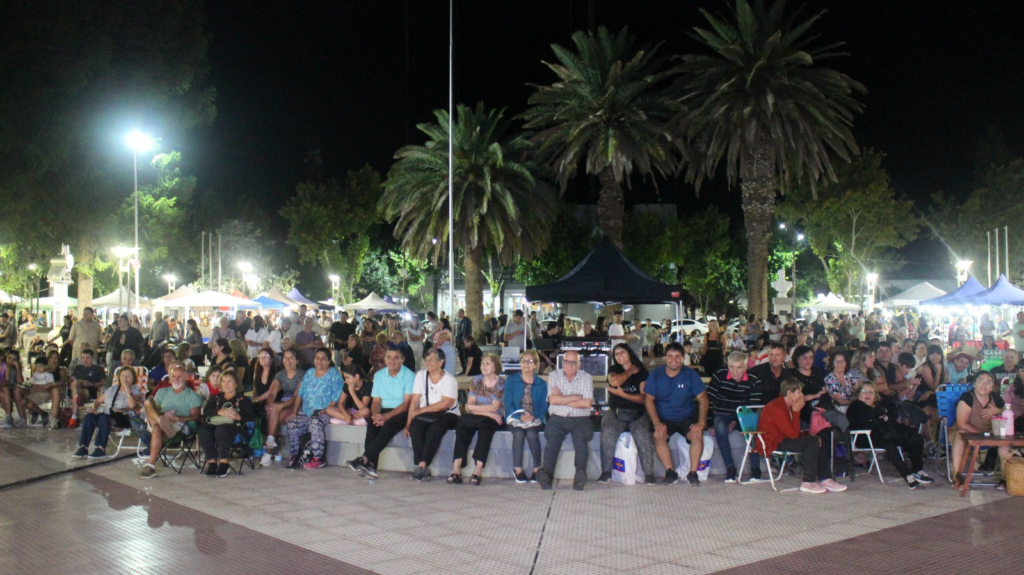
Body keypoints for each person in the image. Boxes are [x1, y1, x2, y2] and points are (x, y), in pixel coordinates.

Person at [755, 378, 847, 494]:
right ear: (789, 393)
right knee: (812, 442)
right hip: (774, 442)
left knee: (821, 438)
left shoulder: (788, 406)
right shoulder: (776, 408)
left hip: (784, 438)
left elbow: (794, 432)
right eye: (799, 392)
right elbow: (793, 435)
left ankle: (826, 478)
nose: (802, 395)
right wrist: (796, 411)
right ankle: (808, 482)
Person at [644, 342, 708, 486]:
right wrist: (656, 423)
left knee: (697, 435)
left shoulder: (690, 374)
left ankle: (693, 473)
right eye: (670, 356)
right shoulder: (656, 374)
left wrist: (701, 422)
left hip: (687, 418)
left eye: (678, 356)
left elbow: (703, 398)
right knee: (657, 436)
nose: (674, 359)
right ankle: (670, 472)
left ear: (683, 358)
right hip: (664, 419)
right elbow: (648, 400)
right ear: (665, 358)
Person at [847, 381, 932, 489]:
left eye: (871, 392)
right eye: (864, 391)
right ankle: (906, 474)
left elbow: (893, 414)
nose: (867, 394)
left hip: (886, 433)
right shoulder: (856, 405)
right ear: (859, 394)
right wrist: (881, 413)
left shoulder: (879, 406)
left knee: (916, 437)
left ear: (875, 395)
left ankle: (917, 470)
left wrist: (883, 413)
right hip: (866, 437)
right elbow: (867, 417)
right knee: (889, 443)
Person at [348, 349, 416, 479]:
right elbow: (376, 401)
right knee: (372, 426)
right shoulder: (379, 375)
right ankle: (371, 466)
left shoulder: (410, 375)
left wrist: (386, 417)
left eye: (396, 358)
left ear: (402, 360)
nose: (392, 361)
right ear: (384, 360)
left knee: (388, 426)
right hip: (383, 410)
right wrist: (376, 416)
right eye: (389, 357)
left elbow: (407, 403)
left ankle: (364, 459)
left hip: (401, 411)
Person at [534, 350, 593, 491]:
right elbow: (553, 400)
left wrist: (563, 398)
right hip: (557, 418)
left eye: (573, 363)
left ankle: (580, 475)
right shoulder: (554, 375)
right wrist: (576, 397)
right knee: (552, 442)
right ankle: (547, 475)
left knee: (580, 442)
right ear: (562, 362)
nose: (569, 365)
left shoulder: (586, 377)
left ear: (579, 364)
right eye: (566, 362)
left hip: (580, 418)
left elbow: (587, 404)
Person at [597, 344, 656, 484]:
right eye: (616, 354)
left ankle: (649, 474)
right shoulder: (614, 370)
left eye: (622, 352)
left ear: (629, 353)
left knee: (643, 433)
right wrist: (630, 371)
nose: (619, 355)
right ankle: (606, 472)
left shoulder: (642, 372)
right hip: (616, 412)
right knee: (607, 431)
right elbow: (614, 381)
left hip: (637, 412)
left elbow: (642, 398)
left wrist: (622, 394)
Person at [402, 347, 460, 482]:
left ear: (441, 362)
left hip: (447, 414)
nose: (428, 362)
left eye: (432, 359)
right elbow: (414, 401)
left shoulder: (450, 380)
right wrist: (408, 424)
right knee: (415, 427)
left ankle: (421, 465)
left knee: (436, 428)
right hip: (426, 413)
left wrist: (421, 410)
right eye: (426, 359)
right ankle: (421, 466)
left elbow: (446, 403)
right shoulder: (421, 375)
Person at [707, 351, 764, 483]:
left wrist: (735, 422)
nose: (735, 371)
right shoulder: (719, 375)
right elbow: (709, 399)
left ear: (745, 367)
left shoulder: (754, 380)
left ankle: (756, 468)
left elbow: (752, 406)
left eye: (739, 367)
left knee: (753, 427)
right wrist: (709, 423)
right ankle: (730, 468)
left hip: (744, 414)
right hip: (721, 413)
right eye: (732, 367)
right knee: (720, 427)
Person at [138, 365, 204, 479]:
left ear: (186, 377)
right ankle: (161, 421)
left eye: (179, 377)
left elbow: (196, 417)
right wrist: (161, 417)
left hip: (177, 424)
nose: (176, 379)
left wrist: (177, 418)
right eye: (173, 376)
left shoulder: (192, 396)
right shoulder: (162, 392)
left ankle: (150, 465)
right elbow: (153, 409)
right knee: (148, 403)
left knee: (157, 427)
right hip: (159, 419)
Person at [448, 354, 505, 485]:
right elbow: (469, 406)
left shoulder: (501, 383)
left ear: (495, 367)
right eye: (482, 363)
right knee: (462, 427)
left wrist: (483, 411)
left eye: (487, 363)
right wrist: (491, 414)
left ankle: (478, 469)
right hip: (486, 417)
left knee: (486, 428)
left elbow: (495, 406)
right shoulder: (475, 380)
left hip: (489, 421)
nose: (483, 366)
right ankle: (456, 468)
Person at [951, 371, 1012, 489]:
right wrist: (981, 434)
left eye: (988, 382)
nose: (984, 385)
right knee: (960, 435)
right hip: (969, 432)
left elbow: (1007, 414)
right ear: (974, 383)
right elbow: (961, 423)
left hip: (990, 433)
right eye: (980, 381)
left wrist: (998, 411)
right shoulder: (967, 397)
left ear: (992, 386)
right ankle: (956, 475)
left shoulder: (996, 398)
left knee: (1004, 443)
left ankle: (1005, 478)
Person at [284, 348, 344, 469]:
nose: (319, 361)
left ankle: (318, 458)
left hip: (325, 411)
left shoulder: (334, 374)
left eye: (323, 359)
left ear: (328, 361)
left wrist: (325, 410)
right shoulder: (310, 372)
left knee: (315, 423)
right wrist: (294, 411)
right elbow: (300, 393)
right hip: (307, 411)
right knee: (292, 423)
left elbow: (337, 397)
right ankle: (295, 455)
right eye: (317, 358)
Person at [72, 363, 146, 459]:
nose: (125, 378)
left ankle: (100, 448)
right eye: (123, 376)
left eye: (128, 376)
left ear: (133, 378)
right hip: (108, 415)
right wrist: (94, 408)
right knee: (89, 417)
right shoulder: (112, 389)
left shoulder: (135, 389)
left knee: (103, 417)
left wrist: (127, 388)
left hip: (124, 416)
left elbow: (132, 405)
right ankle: (83, 447)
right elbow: (98, 401)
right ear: (119, 377)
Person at [198, 370, 255, 478]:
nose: (226, 384)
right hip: (216, 425)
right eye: (223, 381)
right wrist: (220, 412)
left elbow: (251, 417)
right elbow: (206, 412)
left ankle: (224, 462)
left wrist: (239, 416)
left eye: (229, 381)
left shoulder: (243, 399)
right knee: (203, 430)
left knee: (222, 430)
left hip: (236, 428)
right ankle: (211, 462)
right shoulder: (216, 398)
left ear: (236, 383)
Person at [504, 349, 549, 483]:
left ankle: (537, 468)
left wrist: (533, 415)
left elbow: (544, 406)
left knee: (531, 433)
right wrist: (520, 417)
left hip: (534, 418)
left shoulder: (542, 384)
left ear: (535, 364)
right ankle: (517, 469)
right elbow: (508, 403)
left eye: (530, 361)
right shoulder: (511, 381)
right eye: (523, 361)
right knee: (518, 434)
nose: (526, 364)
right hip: (516, 417)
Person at [265, 349, 304, 450]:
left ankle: (271, 443)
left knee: (278, 415)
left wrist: (280, 406)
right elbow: (273, 393)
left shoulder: (302, 375)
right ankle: (271, 440)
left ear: (297, 361)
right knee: (272, 410)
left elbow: (296, 396)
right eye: (285, 357)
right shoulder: (280, 374)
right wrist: (269, 404)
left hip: (298, 403)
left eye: (291, 357)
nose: (287, 360)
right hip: (284, 402)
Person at [67, 349, 107, 427]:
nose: (85, 360)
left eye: (87, 358)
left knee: (76, 387)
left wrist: (93, 384)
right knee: (75, 382)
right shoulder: (78, 368)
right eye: (83, 358)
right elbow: (70, 381)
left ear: (92, 358)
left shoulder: (98, 369)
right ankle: (77, 398)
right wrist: (80, 382)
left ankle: (74, 417)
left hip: (90, 391)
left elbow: (105, 382)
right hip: (77, 389)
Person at [250, 348, 280, 442]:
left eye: (266, 356)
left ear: (271, 359)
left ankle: (270, 440)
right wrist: (253, 399)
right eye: (260, 356)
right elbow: (255, 389)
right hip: (259, 400)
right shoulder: (257, 372)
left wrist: (256, 400)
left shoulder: (277, 373)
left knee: (268, 410)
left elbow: (271, 392)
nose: (262, 358)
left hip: (273, 399)